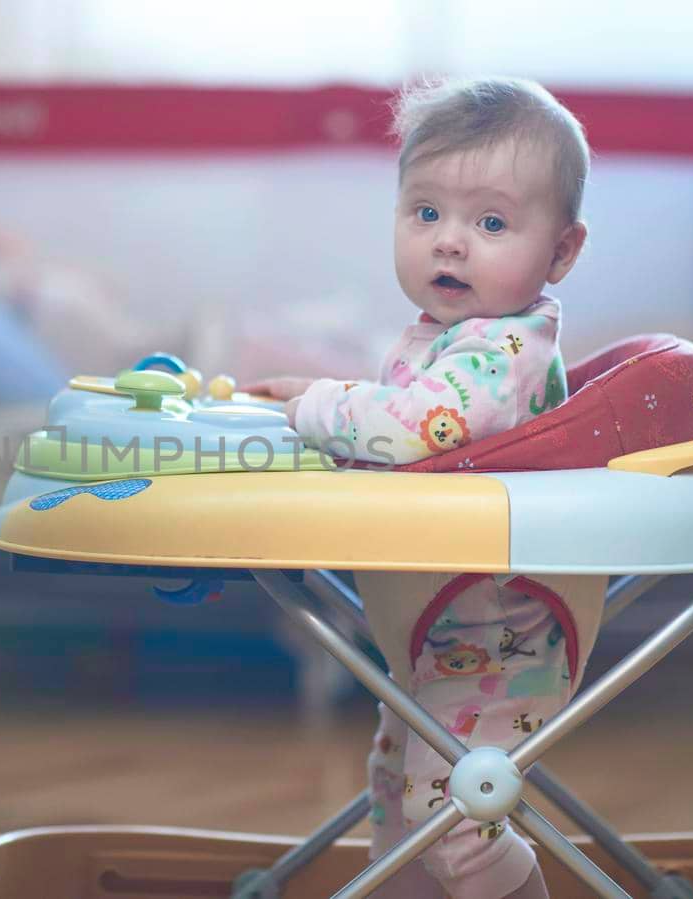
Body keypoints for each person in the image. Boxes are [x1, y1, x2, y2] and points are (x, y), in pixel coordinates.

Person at [245, 77, 606, 899]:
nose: (450, 242)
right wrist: (324, 396)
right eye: (426, 212)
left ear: (560, 252)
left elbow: (416, 427)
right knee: (401, 799)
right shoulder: (456, 337)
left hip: (505, 625)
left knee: (456, 820)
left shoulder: (503, 352)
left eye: (490, 222)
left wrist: (318, 405)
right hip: (442, 621)